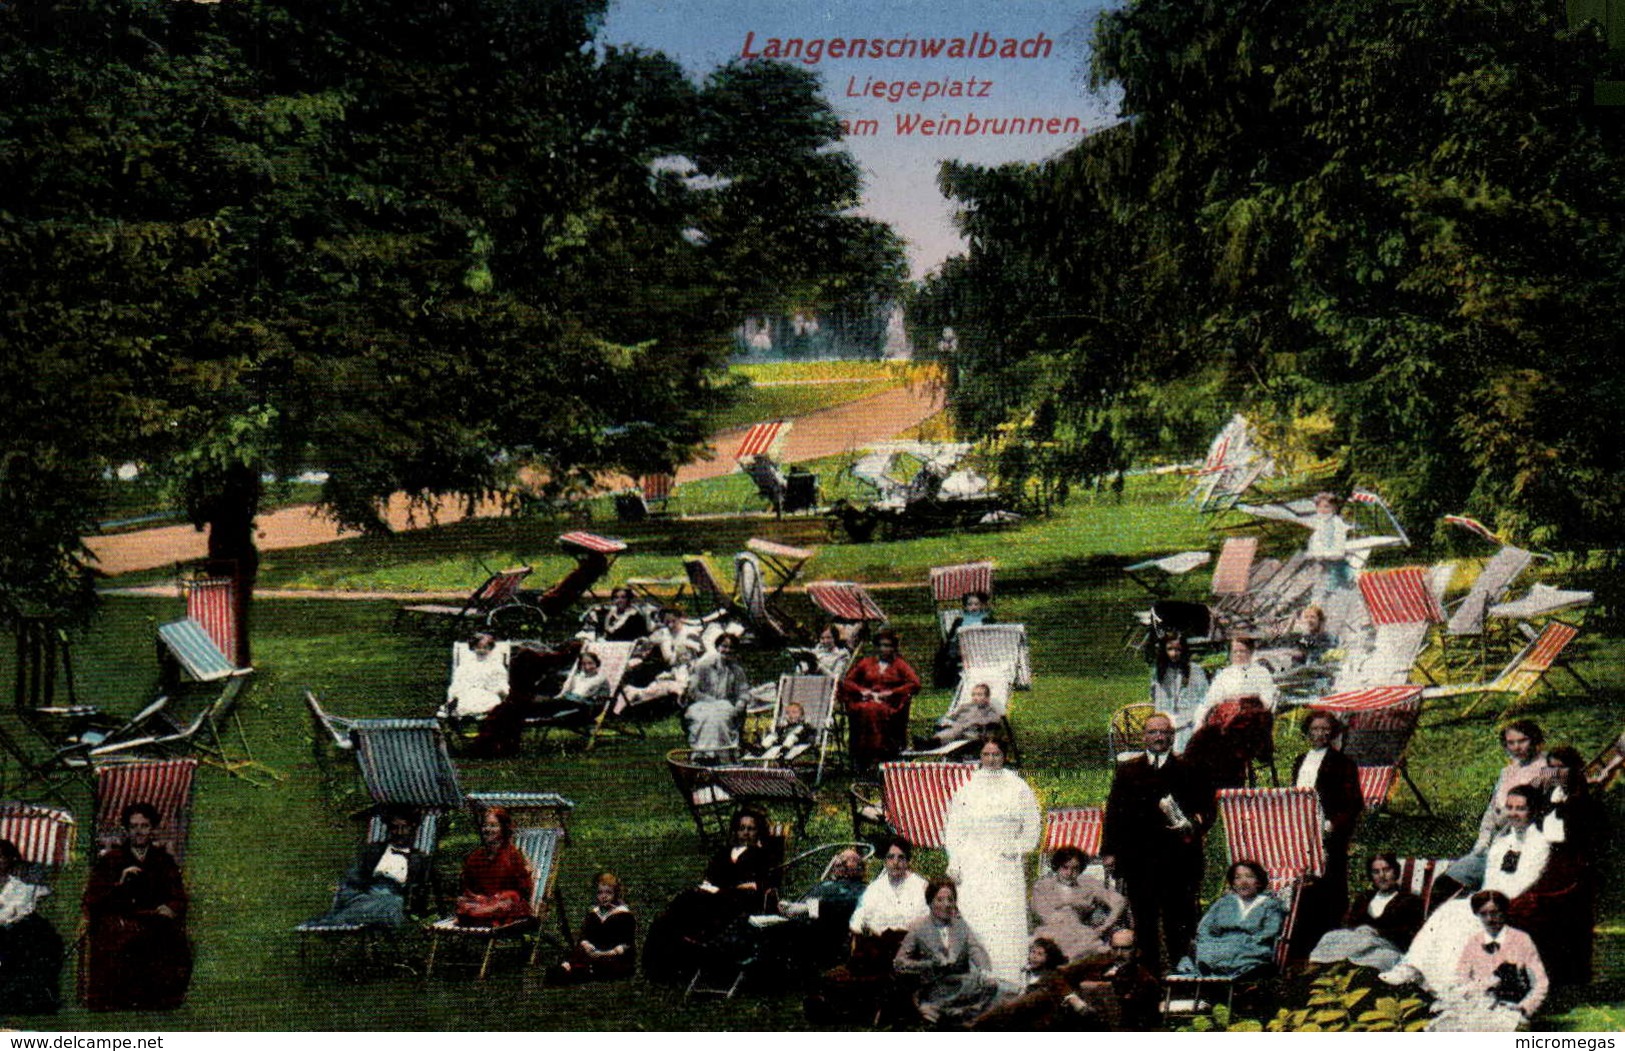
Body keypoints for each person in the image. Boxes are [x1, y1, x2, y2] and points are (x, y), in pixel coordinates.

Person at [1386, 785, 1550, 993]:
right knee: (1448, 911)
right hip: (1488, 896)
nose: (1513, 813)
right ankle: (1413, 966)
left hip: (1511, 901)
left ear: (1533, 811)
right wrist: (1483, 896)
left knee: (1464, 918)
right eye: (1509, 807)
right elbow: (1491, 876)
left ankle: (1451, 981)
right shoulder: (1502, 842)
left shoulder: (1538, 844)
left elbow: (1526, 880)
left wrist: (1492, 900)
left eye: (1520, 808)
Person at [1102, 712, 1214, 972]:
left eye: (1164, 732)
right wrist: (1109, 851)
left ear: (1173, 737)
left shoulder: (1189, 768)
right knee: (1144, 919)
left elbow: (1207, 809)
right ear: (1144, 737)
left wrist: (1193, 824)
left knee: (1180, 918)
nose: (1159, 737)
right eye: (1153, 732)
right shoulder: (1128, 770)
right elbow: (1114, 812)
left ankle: (1181, 971)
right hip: (1139, 860)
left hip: (1179, 859)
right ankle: (1148, 974)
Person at [943, 735, 1041, 988]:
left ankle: (1010, 974)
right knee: (977, 915)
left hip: (1005, 861)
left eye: (996, 754)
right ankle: (977, 974)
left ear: (1004, 756)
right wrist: (955, 860)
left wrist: (1017, 848)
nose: (991, 759)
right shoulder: (968, 788)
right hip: (974, 860)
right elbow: (954, 829)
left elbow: (1032, 827)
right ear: (980, 757)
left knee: (1006, 916)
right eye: (986, 755)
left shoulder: (1018, 787)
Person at [807, 836, 930, 1025]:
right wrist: (864, 929)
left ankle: (880, 1009)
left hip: (906, 948)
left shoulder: (919, 885)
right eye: (890, 857)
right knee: (837, 978)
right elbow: (858, 919)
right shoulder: (875, 888)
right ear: (885, 860)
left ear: (908, 861)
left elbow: (923, 920)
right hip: (875, 948)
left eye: (901, 858)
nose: (895, 863)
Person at [82, 802, 192, 1011]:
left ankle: (158, 999)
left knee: (169, 939)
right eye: (134, 826)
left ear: (152, 829)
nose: (139, 831)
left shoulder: (163, 860)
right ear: (127, 829)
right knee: (122, 939)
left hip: (154, 918)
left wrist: (171, 907)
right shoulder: (111, 860)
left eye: (144, 826)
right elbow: (94, 898)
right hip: (121, 918)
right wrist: (120, 883)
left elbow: (178, 895)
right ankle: (120, 999)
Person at [643, 809, 772, 983]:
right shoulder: (725, 852)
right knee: (673, 913)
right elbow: (710, 877)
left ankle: (684, 948)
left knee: (689, 905)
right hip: (715, 898)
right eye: (742, 828)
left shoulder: (762, 855)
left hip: (737, 904)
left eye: (751, 828)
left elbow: (758, 885)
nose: (746, 833)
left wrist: (726, 888)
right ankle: (665, 964)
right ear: (736, 830)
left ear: (758, 832)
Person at [1512, 745, 1597, 985]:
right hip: (1545, 865)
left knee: (1536, 906)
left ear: (1576, 769)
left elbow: (1587, 846)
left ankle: (1564, 975)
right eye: (1551, 767)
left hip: (1572, 871)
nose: (1556, 772)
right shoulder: (1548, 798)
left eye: (1562, 767)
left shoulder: (1584, 803)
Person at [972, 928, 1162, 1031]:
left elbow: (1139, 1023)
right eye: (1115, 948)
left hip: (1093, 1027)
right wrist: (1073, 998)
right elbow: (1059, 974)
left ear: (1136, 951)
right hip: (1065, 1012)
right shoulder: (1098, 961)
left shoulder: (1145, 980)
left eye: (1125, 949)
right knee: (1030, 1003)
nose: (1119, 953)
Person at [1441, 720, 1552, 894]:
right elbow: (1491, 810)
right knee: (1446, 882)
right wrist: (1482, 841)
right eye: (1511, 743)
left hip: (1518, 845)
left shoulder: (1547, 770)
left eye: (1522, 741)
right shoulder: (1507, 772)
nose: (1516, 747)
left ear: (1534, 740)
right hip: (1491, 844)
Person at [1291, 709, 1364, 949]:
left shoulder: (1343, 762)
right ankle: (1305, 932)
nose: (1319, 734)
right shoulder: (1300, 760)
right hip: (1302, 829)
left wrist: (1333, 823)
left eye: (1324, 729)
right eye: (1315, 729)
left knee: (1330, 879)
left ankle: (1330, 932)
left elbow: (1354, 802)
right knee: (1305, 878)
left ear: (1332, 732)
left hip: (1328, 830)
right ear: (1307, 732)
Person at [1428, 891, 1549, 1032]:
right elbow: (1461, 979)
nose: (1489, 919)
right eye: (1483, 914)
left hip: (1510, 1010)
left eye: (1494, 912)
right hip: (1478, 1008)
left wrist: (1525, 1007)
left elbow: (1541, 983)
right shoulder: (1473, 942)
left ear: (1504, 912)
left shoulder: (1521, 940)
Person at [306, 806, 433, 930]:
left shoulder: (420, 859)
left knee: (395, 904)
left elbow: (421, 894)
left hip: (395, 900)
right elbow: (352, 881)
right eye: (394, 828)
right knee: (387, 906)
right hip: (365, 896)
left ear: (413, 829)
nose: (399, 832)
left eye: (404, 828)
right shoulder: (372, 851)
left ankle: (333, 921)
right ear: (388, 829)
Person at [894, 878, 1000, 1026]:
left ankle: (957, 1015)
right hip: (935, 986)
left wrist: (985, 971)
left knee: (992, 985)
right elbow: (899, 964)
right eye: (940, 900)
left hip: (961, 983)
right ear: (930, 902)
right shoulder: (919, 928)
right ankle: (942, 1012)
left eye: (950, 900)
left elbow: (976, 949)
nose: (946, 905)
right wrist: (930, 964)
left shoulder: (961, 926)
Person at [1308, 852, 1425, 971]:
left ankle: (1341, 968)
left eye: (1387, 870)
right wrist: (1361, 931)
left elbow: (1411, 932)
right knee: (1330, 936)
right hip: (1358, 944)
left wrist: (1377, 932)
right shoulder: (1364, 898)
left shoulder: (1409, 900)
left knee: (1381, 958)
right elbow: (1349, 923)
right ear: (1371, 875)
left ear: (1396, 872)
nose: (1382, 876)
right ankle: (1323, 968)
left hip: (1388, 948)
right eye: (1376, 872)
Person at [1174, 860, 1285, 980]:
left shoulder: (1271, 905)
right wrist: (1213, 943)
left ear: (1258, 881)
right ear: (1233, 883)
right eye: (1237, 878)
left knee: (1241, 955)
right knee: (1201, 950)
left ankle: (1218, 968)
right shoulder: (1224, 903)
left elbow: (1270, 931)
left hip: (1251, 948)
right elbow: (1205, 928)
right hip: (1220, 946)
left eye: (1249, 876)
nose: (1243, 882)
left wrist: (1244, 943)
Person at [839, 629, 922, 771]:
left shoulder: (899, 664)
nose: (884, 649)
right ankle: (862, 755)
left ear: (894, 648)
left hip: (890, 703)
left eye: (888, 646)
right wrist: (862, 691)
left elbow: (915, 683)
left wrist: (891, 692)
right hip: (867, 699)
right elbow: (848, 681)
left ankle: (878, 753)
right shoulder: (866, 663)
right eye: (881, 645)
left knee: (873, 710)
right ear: (876, 647)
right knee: (865, 709)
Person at [1030, 845, 1127, 963]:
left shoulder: (1088, 884)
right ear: (1057, 866)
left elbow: (1119, 901)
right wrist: (1073, 904)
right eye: (1065, 867)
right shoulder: (1043, 886)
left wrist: (1104, 927)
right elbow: (1046, 915)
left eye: (1075, 869)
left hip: (1082, 933)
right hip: (1051, 934)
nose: (1069, 873)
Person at [0, 837, 63, 1014]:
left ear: (9, 860)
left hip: (14, 934)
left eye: (0, 857)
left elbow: (15, 913)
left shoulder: (20, 887)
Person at [453, 806, 533, 927]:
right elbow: (467, 886)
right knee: (462, 903)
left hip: (505, 904)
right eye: (485, 825)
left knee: (506, 902)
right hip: (483, 902)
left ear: (503, 829)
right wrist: (478, 898)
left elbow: (523, 890)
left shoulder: (512, 855)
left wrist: (498, 898)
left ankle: (480, 916)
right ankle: (482, 915)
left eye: (493, 825)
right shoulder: (476, 857)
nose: (488, 829)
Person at [549, 873, 635, 984]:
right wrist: (586, 944)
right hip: (593, 951)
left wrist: (608, 953)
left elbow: (626, 943)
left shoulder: (623, 915)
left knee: (604, 965)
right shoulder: (594, 913)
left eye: (608, 893)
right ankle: (567, 968)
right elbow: (585, 935)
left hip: (613, 954)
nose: (604, 896)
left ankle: (579, 970)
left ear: (615, 894)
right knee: (577, 954)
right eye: (600, 893)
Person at [682, 632, 752, 761]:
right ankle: (704, 754)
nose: (727, 650)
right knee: (708, 717)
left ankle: (720, 755)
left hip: (725, 705)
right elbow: (693, 691)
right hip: (701, 704)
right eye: (724, 646)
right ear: (717, 647)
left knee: (720, 716)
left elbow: (743, 691)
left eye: (731, 648)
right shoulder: (703, 666)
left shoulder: (737, 670)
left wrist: (741, 701)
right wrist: (712, 702)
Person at [1150, 632, 1208, 754]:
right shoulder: (1159, 672)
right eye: (1170, 649)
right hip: (1166, 721)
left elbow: (1204, 698)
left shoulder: (1195, 670)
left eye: (1178, 649)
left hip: (1190, 721)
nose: (1174, 653)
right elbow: (1156, 700)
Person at [527, 649, 611, 724]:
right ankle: (529, 716)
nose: (587, 667)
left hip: (584, 708)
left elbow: (600, 702)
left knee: (552, 705)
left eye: (590, 663)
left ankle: (534, 717)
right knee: (546, 703)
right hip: (571, 702)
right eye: (583, 664)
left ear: (597, 664)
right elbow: (570, 691)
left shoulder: (601, 679)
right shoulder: (579, 677)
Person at [440, 631, 509, 720]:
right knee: (465, 704)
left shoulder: (496, 666)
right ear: (473, 647)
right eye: (478, 647)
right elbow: (458, 683)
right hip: (469, 695)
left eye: (485, 647)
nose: (482, 650)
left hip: (489, 695)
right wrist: (454, 696)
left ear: (490, 648)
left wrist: (502, 694)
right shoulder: (465, 666)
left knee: (493, 706)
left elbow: (500, 684)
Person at [915, 682, 1002, 752]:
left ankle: (930, 743)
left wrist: (977, 722)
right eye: (974, 695)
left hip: (972, 732)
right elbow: (952, 716)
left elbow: (996, 719)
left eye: (979, 695)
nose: (975, 698)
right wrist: (946, 721)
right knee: (951, 730)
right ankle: (930, 742)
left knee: (954, 731)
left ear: (987, 698)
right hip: (957, 728)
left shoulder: (989, 709)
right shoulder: (965, 706)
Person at [934, 591, 991, 688]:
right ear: (965, 607)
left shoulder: (986, 620)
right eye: (970, 604)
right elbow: (951, 639)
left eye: (976, 604)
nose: (973, 607)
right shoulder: (959, 621)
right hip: (961, 651)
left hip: (981, 650)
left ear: (981, 605)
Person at [1304, 491, 1353, 599]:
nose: (1323, 510)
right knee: (1318, 589)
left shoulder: (1337, 523)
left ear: (1334, 508)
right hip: (1321, 564)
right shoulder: (1319, 523)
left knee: (1336, 591)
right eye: (1320, 507)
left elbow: (1339, 546)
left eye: (1327, 507)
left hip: (1335, 563)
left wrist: (1327, 554)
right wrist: (1313, 553)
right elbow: (1316, 542)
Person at [747, 700, 815, 763]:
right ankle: (761, 749)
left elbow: (809, 734)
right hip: (783, 742)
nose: (791, 715)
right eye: (788, 713)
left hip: (798, 741)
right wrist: (776, 734)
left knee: (792, 736)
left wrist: (806, 729)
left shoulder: (804, 725)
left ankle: (783, 752)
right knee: (772, 736)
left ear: (802, 716)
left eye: (794, 712)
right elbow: (777, 734)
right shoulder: (785, 727)